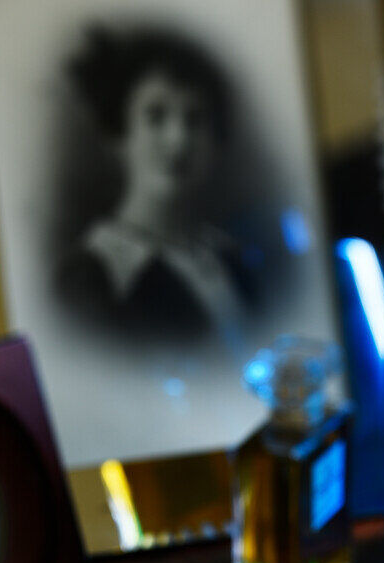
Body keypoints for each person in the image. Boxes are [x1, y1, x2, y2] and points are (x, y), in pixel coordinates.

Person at [57, 27, 256, 342]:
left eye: (194, 119)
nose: (178, 141)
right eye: (155, 116)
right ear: (119, 136)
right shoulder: (96, 276)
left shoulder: (229, 259)